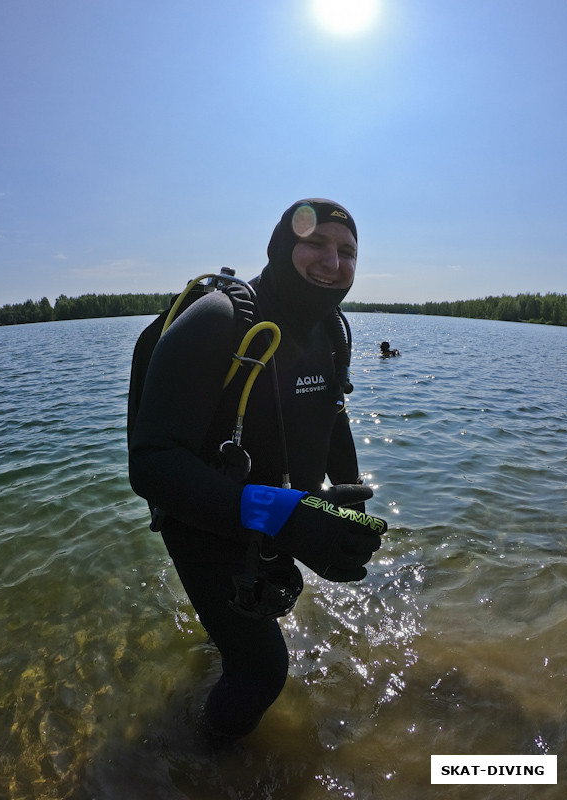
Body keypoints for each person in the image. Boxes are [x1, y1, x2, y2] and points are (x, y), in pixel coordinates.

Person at [128, 198, 387, 743]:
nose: (331, 262)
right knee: (262, 671)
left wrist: (346, 501)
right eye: (315, 243)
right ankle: (202, 765)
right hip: (201, 514)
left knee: (254, 620)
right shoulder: (221, 320)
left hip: (275, 511)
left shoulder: (334, 331)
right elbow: (152, 464)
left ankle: (215, 653)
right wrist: (287, 518)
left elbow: (332, 414)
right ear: (279, 246)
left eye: (347, 252)